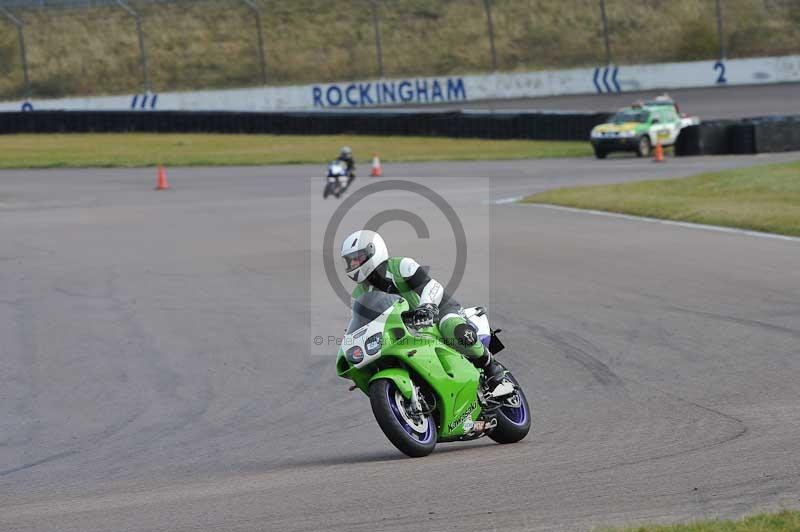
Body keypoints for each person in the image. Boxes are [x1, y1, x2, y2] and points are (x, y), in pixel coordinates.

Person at [340, 229, 510, 396]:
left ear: (373, 250)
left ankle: (492, 367)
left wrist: (427, 306)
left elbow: (431, 285)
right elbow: (364, 324)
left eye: (358, 258)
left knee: (453, 329)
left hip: (438, 311)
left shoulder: (401, 266)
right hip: (404, 328)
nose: (353, 264)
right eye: (350, 261)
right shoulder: (358, 295)